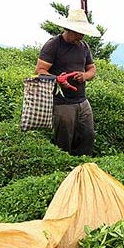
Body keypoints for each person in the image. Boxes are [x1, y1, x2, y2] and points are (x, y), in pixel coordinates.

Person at [35, 8, 99, 156]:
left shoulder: (84, 47)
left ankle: (82, 168)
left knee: (87, 136)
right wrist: (58, 79)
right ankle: (63, 170)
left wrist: (84, 76)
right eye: (79, 33)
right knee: (63, 141)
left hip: (82, 101)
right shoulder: (53, 45)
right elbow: (40, 70)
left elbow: (92, 69)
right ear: (69, 29)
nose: (82, 36)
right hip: (62, 103)